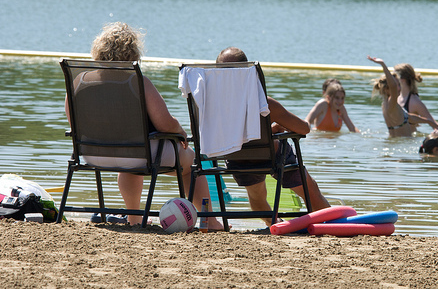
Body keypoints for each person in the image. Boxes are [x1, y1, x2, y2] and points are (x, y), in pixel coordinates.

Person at [65, 22, 223, 230]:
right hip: (139, 154)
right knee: (192, 162)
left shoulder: (79, 82)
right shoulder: (138, 82)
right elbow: (164, 123)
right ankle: (209, 221)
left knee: (128, 161)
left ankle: (134, 219)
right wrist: (180, 131)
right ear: (133, 53)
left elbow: (74, 122)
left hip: (92, 154)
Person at [216, 46, 331, 224]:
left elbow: (234, 135)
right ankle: (333, 223)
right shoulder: (264, 104)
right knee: (311, 190)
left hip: (237, 159)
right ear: (247, 72)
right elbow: (304, 129)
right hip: (273, 158)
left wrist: (267, 131)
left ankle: (273, 225)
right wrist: (276, 127)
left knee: (257, 197)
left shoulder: (210, 106)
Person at [368, 55, 437, 137]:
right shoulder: (391, 103)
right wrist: (383, 65)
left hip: (394, 142)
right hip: (403, 143)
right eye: (398, 85)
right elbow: (393, 86)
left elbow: (408, 117)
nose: (399, 88)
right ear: (387, 90)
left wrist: (428, 121)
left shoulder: (387, 105)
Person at [393, 63, 438, 135]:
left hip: (409, 141)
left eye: (394, 76)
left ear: (402, 79)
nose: (391, 78)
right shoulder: (396, 97)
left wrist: (435, 134)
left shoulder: (414, 102)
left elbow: (436, 126)